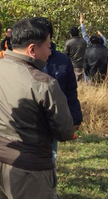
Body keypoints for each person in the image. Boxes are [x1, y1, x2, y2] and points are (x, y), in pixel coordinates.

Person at [0, 18, 75, 199]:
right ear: (32, 49)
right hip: (29, 168)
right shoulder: (44, 83)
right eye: (48, 46)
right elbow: (65, 131)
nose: (50, 51)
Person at [35, 17, 82, 167]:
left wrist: (75, 117)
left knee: (50, 156)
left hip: (53, 116)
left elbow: (70, 91)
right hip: (30, 116)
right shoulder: (23, 61)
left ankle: (49, 188)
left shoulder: (62, 60)